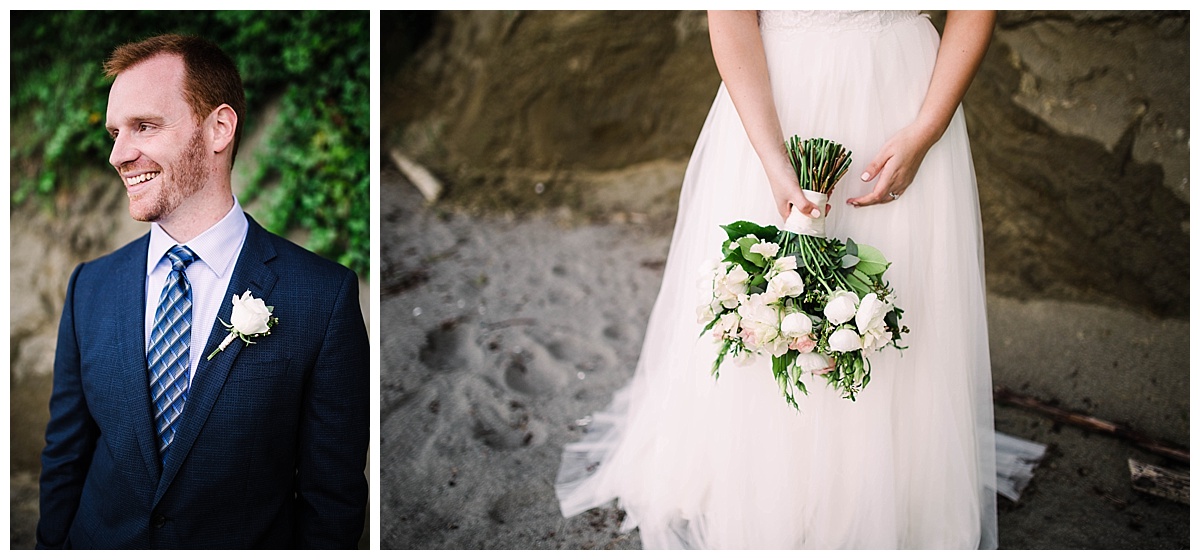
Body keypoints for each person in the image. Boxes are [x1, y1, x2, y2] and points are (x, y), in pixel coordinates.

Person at [557, 11, 1002, 548]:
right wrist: (770, 157)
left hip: (902, 94)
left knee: (896, 281)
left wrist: (927, 127)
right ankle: (763, 484)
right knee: (773, 296)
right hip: (780, 97)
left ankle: (891, 491)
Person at [37, 34, 369, 549]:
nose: (118, 154)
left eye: (144, 126)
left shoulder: (322, 299)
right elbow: (64, 462)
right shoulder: (89, 288)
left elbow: (334, 501)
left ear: (218, 128)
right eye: (115, 132)